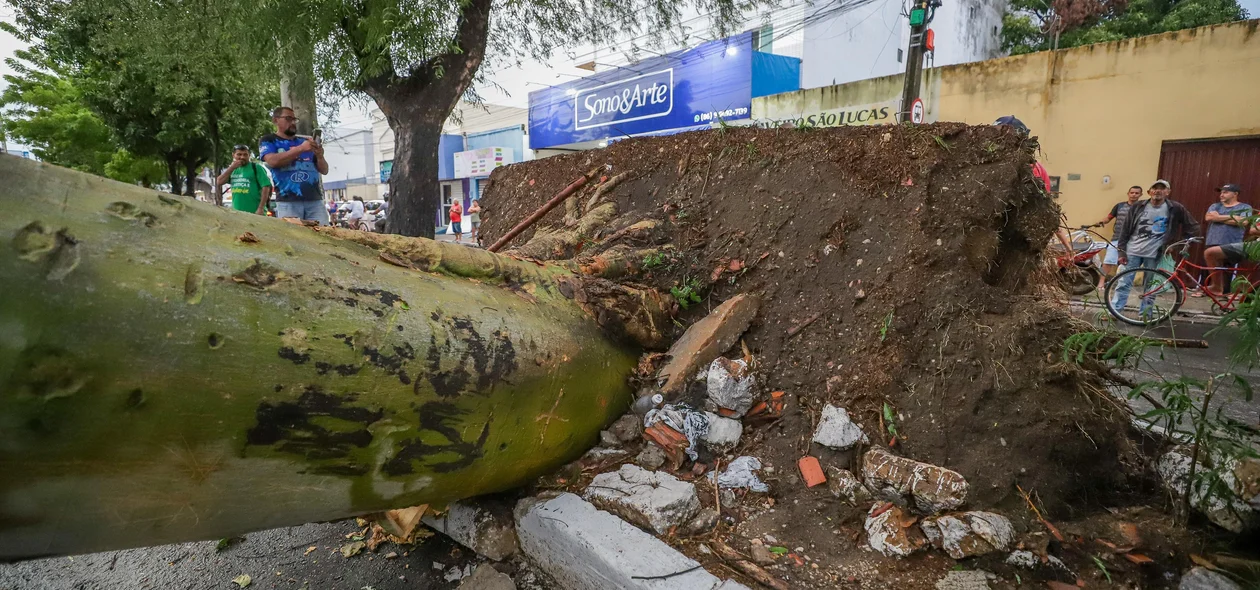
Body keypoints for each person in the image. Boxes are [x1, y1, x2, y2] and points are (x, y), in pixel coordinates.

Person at [1110, 180, 1201, 316]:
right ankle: (1115, 311)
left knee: (1151, 285)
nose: (1158, 191)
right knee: (1124, 282)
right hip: (1132, 251)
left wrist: (1178, 244)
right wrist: (1121, 252)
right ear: (1149, 192)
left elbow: (1193, 227)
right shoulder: (1138, 206)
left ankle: (1145, 314)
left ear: (1167, 192)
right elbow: (1125, 230)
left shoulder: (1175, 208)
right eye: (1155, 188)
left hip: (1155, 253)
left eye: (1162, 188)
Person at [993, 116, 1075, 255]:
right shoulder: (988, 165)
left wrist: (1067, 247)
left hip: (1017, 243)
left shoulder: (1033, 170)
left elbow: (1046, 209)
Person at [259, 106, 329, 224]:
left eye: (294, 119)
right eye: (288, 118)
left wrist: (320, 156)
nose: (292, 122)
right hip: (288, 201)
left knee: (324, 236)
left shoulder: (306, 141)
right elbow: (272, 161)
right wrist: (301, 149)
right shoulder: (269, 140)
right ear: (275, 120)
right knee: (294, 238)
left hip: (315, 200)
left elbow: (324, 170)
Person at [1200, 183, 1252, 295]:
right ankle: (1207, 292)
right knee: (1209, 270)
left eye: (1225, 192)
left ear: (1235, 194)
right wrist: (1232, 218)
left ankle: (1224, 294)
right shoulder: (1215, 206)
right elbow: (1208, 217)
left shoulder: (1244, 207)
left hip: (1232, 243)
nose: (1222, 195)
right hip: (1212, 242)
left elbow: (1243, 221)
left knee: (1227, 272)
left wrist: (1218, 218)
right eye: (1221, 192)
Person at [1093, 185, 1145, 282]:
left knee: (1128, 263)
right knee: (1108, 261)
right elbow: (1109, 218)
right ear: (1128, 194)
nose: (1134, 195)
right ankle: (1100, 283)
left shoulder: (1142, 208)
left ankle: (1122, 284)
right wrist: (1101, 222)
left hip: (1134, 240)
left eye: (1136, 193)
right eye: (1132, 192)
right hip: (1117, 238)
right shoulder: (1119, 206)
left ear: (1140, 195)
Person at [216, 145, 273, 215]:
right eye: (239, 154)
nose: (242, 157)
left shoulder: (256, 168)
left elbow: (266, 187)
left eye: (245, 155)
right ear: (233, 155)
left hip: (255, 212)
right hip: (237, 213)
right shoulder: (233, 170)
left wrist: (260, 208)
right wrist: (231, 168)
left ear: (249, 155)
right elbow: (219, 182)